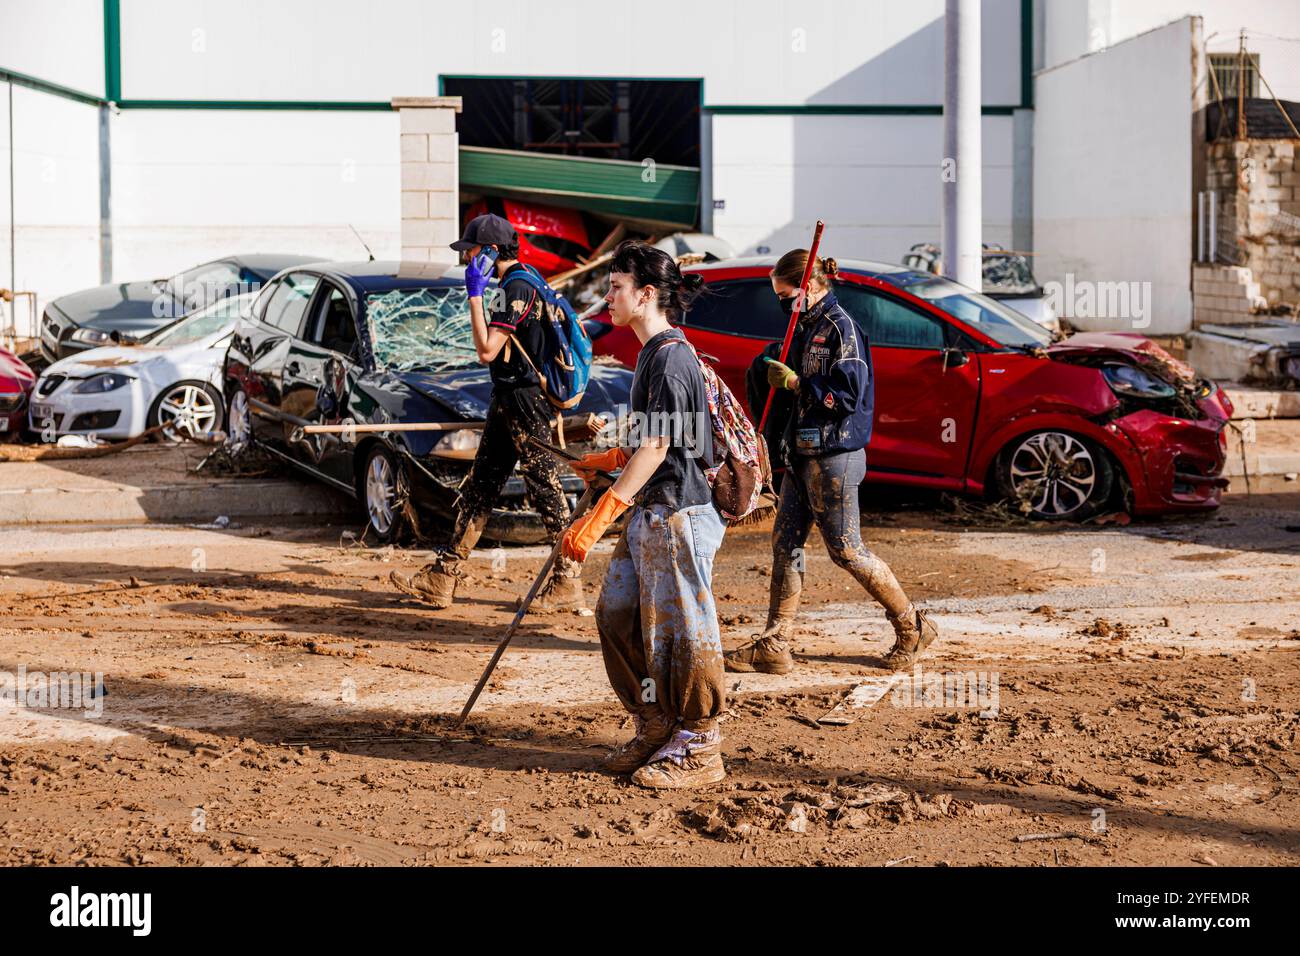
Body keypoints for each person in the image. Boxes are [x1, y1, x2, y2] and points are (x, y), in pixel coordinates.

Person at [561, 240, 728, 790]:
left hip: (677, 513)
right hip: (651, 512)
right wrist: (612, 458)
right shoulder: (653, 355)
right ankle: (655, 720)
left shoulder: (671, 356)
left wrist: (602, 512)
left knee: (684, 631)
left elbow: (661, 447)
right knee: (618, 614)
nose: (607, 297)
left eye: (616, 287)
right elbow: (675, 433)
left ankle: (701, 745)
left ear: (647, 294)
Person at [724, 250, 938, 675]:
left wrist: (797, 382)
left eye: (787, 296)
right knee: (787, 547)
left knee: (847, 551)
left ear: (811, 286)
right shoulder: (799, 329)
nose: (783, 305)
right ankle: (775, 643)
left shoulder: (842, 330)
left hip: (835, 457)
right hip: (801, 455)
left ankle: (913, 626)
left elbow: (846, 396)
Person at [390, 213, 582, 611]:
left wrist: (474, 295)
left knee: (544, 486)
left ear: (490, 252)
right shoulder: (521, 280)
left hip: (524, 401)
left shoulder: (515, 288)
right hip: (508, 397)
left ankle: (567, 581)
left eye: (472, 251)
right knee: (481, 485)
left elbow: (486, 350)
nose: (467, 258)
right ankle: (443, 577)